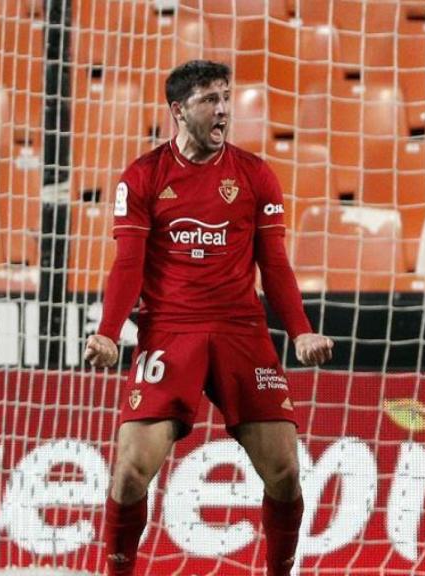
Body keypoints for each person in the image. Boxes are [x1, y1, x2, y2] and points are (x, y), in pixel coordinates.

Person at [84, 60, 334, 576]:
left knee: (285, 473)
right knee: (130, 473)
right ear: (178, 110)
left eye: (226, 96)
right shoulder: (144, 176)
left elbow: (276, 264)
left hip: (241, 330)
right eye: (209, 99)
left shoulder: (255, 174)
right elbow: (128, 263)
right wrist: (110, 334)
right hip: (169, 332)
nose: (223, 109)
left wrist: (302, 331)